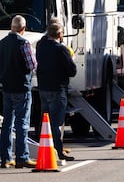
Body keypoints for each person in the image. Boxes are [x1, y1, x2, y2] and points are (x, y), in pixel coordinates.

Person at [36, 21, 77, 162]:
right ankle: (58, 151)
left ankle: (43, 147)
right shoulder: (61, 49)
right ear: (60, 34)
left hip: (43, 88)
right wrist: (71, 59)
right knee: (55, 123)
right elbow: (72, 71)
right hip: (57, 89)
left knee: (45, 121)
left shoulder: (41, 46)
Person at [0, 15, 37, 169]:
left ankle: (6, 158)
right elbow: (31, 65)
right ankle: (22, 157)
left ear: (11, 27)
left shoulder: (2, 43)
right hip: (22, 87)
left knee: (7, 123)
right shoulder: (24, 43)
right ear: (23, 28)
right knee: (22, 123)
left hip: (6, 87)